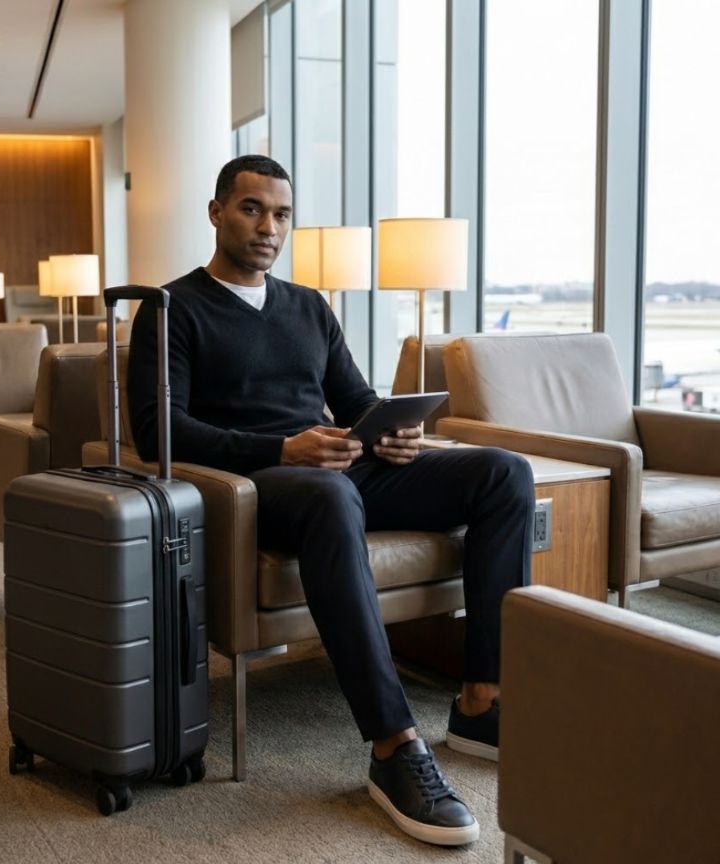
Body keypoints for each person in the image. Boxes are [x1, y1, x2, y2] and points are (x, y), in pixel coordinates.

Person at [128, 154, 535, 847]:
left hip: (335, 472)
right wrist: (284, 449)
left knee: (504, 474)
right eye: (252, 208)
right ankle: (392, 743)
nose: (268, 227)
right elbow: (157, 430)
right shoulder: (172, 310)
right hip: (262, 484)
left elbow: (355, 402)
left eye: (281, 213)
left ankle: (482, 701)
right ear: (217, 212)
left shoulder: (310, 307)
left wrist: (393, 434)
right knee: (328, 495)